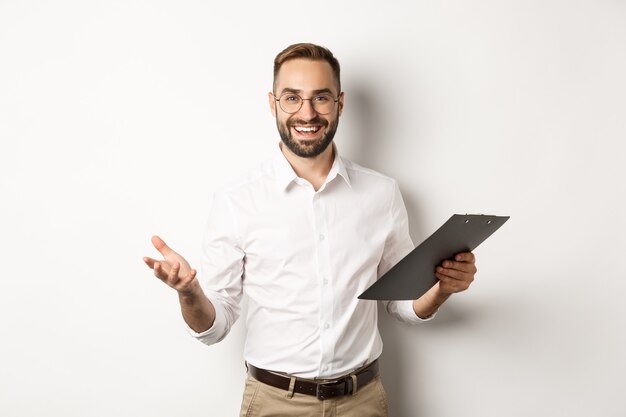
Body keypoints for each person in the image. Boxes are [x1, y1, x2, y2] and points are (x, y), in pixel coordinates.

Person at [143, 43, 477, 417]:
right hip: (272, 403)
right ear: (273, 104)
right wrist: (189, 293)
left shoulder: (382, 194)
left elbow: (400, 303)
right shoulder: (237, 200)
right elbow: (215, 326)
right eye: (292, 98)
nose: (307, 113)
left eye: (321, 97)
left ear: (340, 103)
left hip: (362, 402)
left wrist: (441, 289)